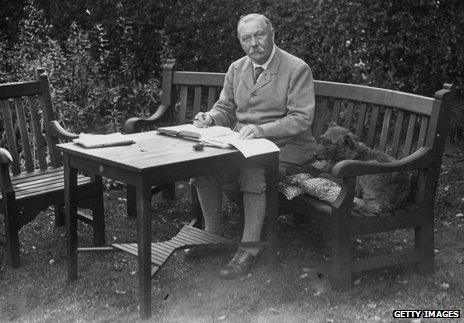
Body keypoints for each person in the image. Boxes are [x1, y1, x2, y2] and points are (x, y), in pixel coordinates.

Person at [190, 13, 317, 278]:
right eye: (246, 38)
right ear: (240, 41)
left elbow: (301, 119)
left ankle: (249, 249)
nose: (253, 44)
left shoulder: (296, 68)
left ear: (272, 33)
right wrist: (210, 117)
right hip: (245, 144)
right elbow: (225, 107)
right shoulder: (237, 68)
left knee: (252, 169)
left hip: (289, 147)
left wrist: (262, 130)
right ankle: (213, 234)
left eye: (259, 35)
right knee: (203, 167)